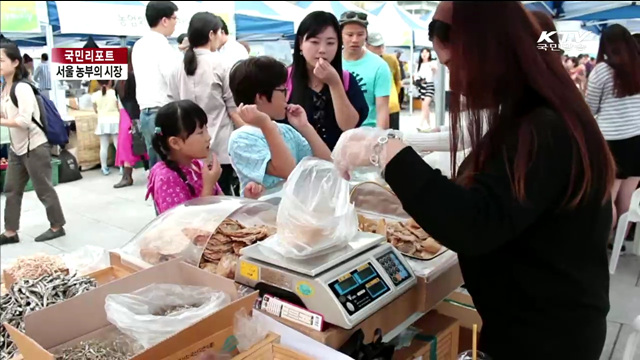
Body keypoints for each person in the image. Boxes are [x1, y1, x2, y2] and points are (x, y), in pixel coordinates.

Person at [331, 2, 615, 359]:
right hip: (533, 324)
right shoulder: (535, 116)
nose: (456, 83)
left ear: (486, 51)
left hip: (547, 338)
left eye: (451, 64)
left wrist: (386, 151)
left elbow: (471, 222)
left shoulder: (544, 129)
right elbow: (491, 197)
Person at [227, 56, 332, 197]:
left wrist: (305, 127)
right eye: (283, 91)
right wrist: (266, 125)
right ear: (261, 97)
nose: (287, 96)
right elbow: (287, 170)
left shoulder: (285, 130)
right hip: (262, 214)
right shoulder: (241, 138)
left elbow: (327, 163)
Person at [168, 12, 245, 196]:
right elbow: (233, 110)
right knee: (222, 199)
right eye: (219, 32)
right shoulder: (221, 64)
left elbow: (173, 106)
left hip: (188, 149)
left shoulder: (177, 68)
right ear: (211, 34)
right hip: (219, 147)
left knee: (195, 198)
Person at [0, 41, 66, 245]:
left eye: (1, 60)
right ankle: (10, 231)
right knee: (11, 189)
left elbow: (23, 121)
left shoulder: (23, 88)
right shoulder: (5, 87)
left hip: (35, 146)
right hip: (16, 148)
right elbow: (8, 113)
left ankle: (57, 226)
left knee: (43, 189)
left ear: (15, 62)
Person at [586, 24, 640, 246]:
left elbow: (590, 108)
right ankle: (618, 243)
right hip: (638, 137)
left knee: (608, 196)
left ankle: (600, 243)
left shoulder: (601, 71)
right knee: (628, 196)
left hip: (612, 142)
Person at [286, 11, 367, 150]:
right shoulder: (283, 79)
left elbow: (349, 126)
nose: (322, 50)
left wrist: (334, 83)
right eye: (314, 42)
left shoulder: (347, 79)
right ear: (300, 43)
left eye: (330, 43)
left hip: (338, 164)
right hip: (294, 166)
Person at [146, 100, 223, 215]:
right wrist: (208, 185)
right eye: (200, 132)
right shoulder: (166, 178)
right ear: (175, 143)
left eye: (206, 129)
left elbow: (222, 205)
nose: (208, 137)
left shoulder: (198, 165)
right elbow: (182, 224)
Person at [132, 0, 179, 168]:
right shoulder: (162, 45)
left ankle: (158, 195)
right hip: (162, 112)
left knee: (156, 166)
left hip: (146, 113)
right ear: (164, 20)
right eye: (175, 18)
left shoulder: (138, 45)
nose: (175, 23)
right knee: (167, 165)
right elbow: (173, 79)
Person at [340, 11, 392, 129]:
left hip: (367, 134)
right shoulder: (331, 62)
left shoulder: (379, 66)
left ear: (366, 36)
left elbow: (382, 110)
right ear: (340, 35)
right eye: (349, 34)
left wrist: (379, 141)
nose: (355, 39)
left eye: (360, 34)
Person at [114, 48, 149, 189]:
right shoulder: (136, 76)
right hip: (136, 113)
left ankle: (127, 176)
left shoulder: (120, 79)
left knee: (127, 146)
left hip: (124, 115)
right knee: (142, 143)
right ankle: (148, 171)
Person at [367, 32, 402, 130]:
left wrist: (393, 95)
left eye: (381, 46)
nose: (380, 49)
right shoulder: (364, 61)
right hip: (372, 108)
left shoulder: (391, 59)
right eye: (376, 46)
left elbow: (397, 80)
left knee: (393, 139)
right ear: (367, 46)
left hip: (391, 106)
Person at [91, 80, 120, 175]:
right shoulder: (114, 93)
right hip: (115, 120)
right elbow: (119, 107)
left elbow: (95, 110)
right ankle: (121, 167)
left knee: (103, 146)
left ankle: (104, 167)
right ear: (110, 81)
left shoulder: (95, 95)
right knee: (118, 145)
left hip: (102, 121)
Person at [415, 48, 438, 130]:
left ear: (429, 54)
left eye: (426, 52)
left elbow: (437, 71)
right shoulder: (419, 65)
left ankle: (420, 124)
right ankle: (429, 125)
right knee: (425, 106)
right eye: (422, 52)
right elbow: (416, 76)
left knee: (425, 104)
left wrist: (434, 68)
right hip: (421, 86)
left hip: (430, 85)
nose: (424, 54)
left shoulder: (432, 63)